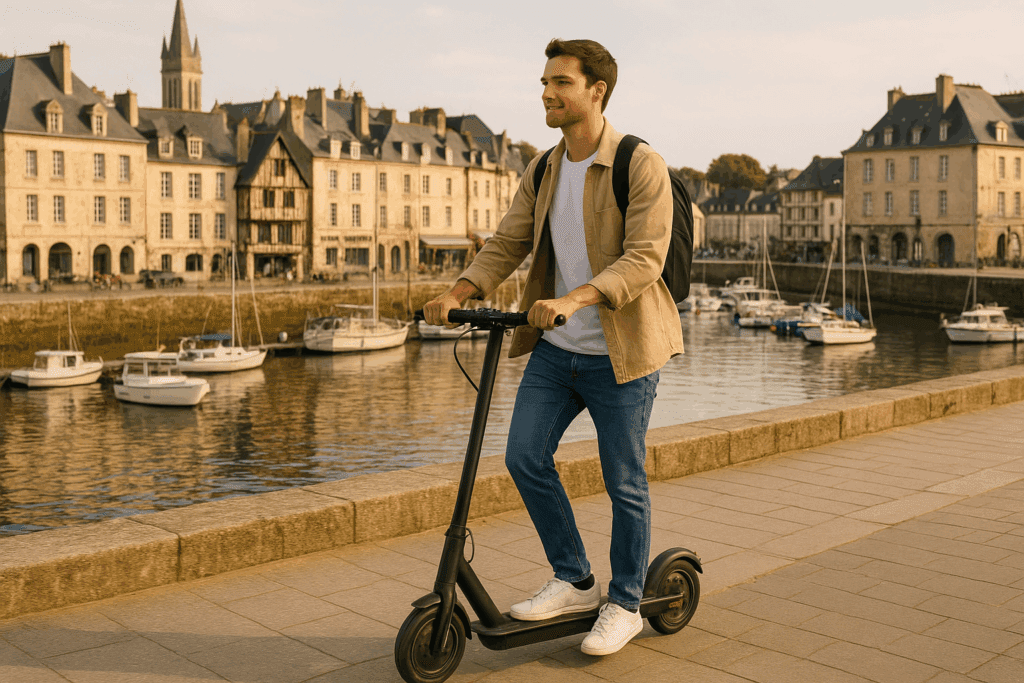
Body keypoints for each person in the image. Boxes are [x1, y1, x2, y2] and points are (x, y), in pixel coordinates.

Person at [423, 38, 683, 656]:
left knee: (624, 481)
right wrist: (458, 288)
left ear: (596, 91)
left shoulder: (639, 164)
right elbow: (508, 240)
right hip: (557, 350)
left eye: (561, 82)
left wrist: (578, 298)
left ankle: (624, 604)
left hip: (622, 352)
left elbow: (646, 257)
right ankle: (573, 577)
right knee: (523, 457)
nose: (546, 92)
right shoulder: (542, 168)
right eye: (544, 81)